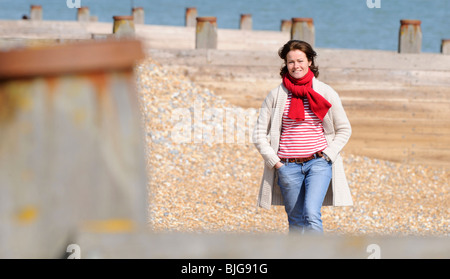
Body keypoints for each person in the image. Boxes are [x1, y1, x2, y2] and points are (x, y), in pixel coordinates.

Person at [252, 40, 353, 234]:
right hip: (287, 166)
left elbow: (344, 129)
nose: (296, 66)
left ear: (309, 61)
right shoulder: (276, 95)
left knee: (311, 213)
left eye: (300, 60)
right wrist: (275, 162)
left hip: (318, 162)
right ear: (285, 64)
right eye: (291, 62)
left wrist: (328, 155)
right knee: (296, 221)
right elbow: (258, 134)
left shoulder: (325, 92)